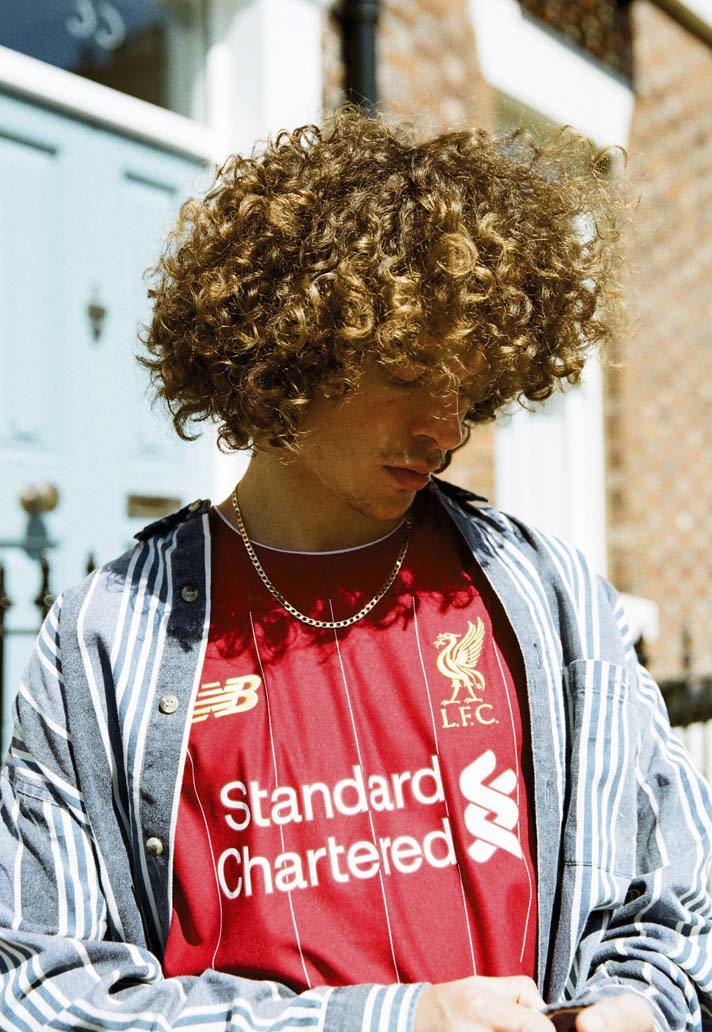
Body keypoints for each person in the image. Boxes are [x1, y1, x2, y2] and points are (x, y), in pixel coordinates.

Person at [1, 107, 710, 1032]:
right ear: (292, 347)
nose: (446, 429)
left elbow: (679, 912)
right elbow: (45, 987)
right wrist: (391, 1021)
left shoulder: (551, 597)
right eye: (410, 373)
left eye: (469, 387)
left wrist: (640, 1006)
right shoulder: (105, 636)